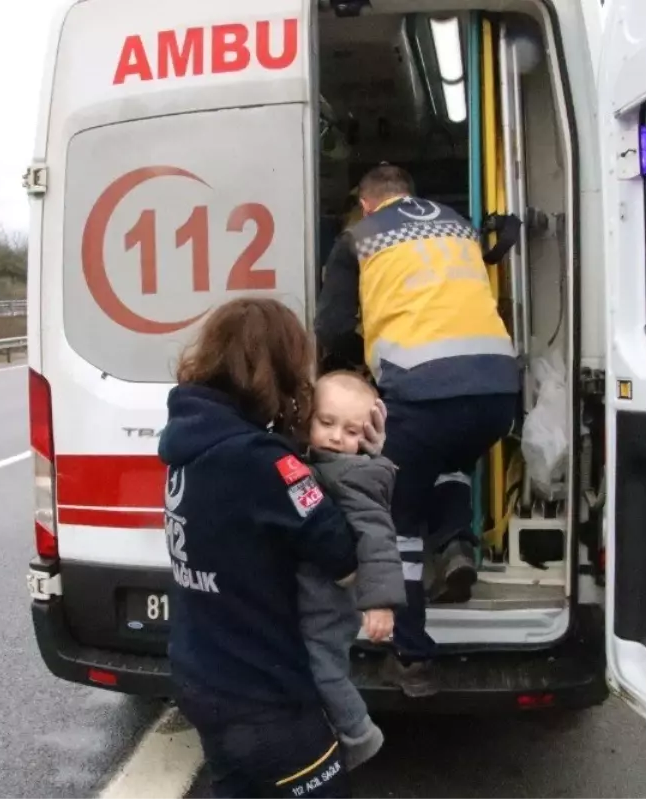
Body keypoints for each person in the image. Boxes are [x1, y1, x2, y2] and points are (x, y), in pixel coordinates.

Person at [313, 164, 520, 699]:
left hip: (423, 393)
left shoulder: (357, 238)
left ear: (365, 203)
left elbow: (333, 325)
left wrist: (338, 377)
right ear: (409, 192)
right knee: (452, 455)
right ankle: (455, 542)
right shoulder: (456, 223)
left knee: (395, 520)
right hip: (498, 390)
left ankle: (412, 657)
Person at [158, 297, 376, 798]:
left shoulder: (191, 440)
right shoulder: (264, 462)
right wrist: (365, 465)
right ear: (278, 368)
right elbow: (343, 557)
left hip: (201, 677)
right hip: (264, 700)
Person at [298, 370, 404, 771]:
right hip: (309, 597)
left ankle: (358, 734)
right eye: (326, 423)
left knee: (324, 671)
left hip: (328, 603)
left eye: (351, 430)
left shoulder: (353, 475)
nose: (337, 437)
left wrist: (380, 604)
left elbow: (378, 538)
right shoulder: (316, 460)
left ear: (368, 434)